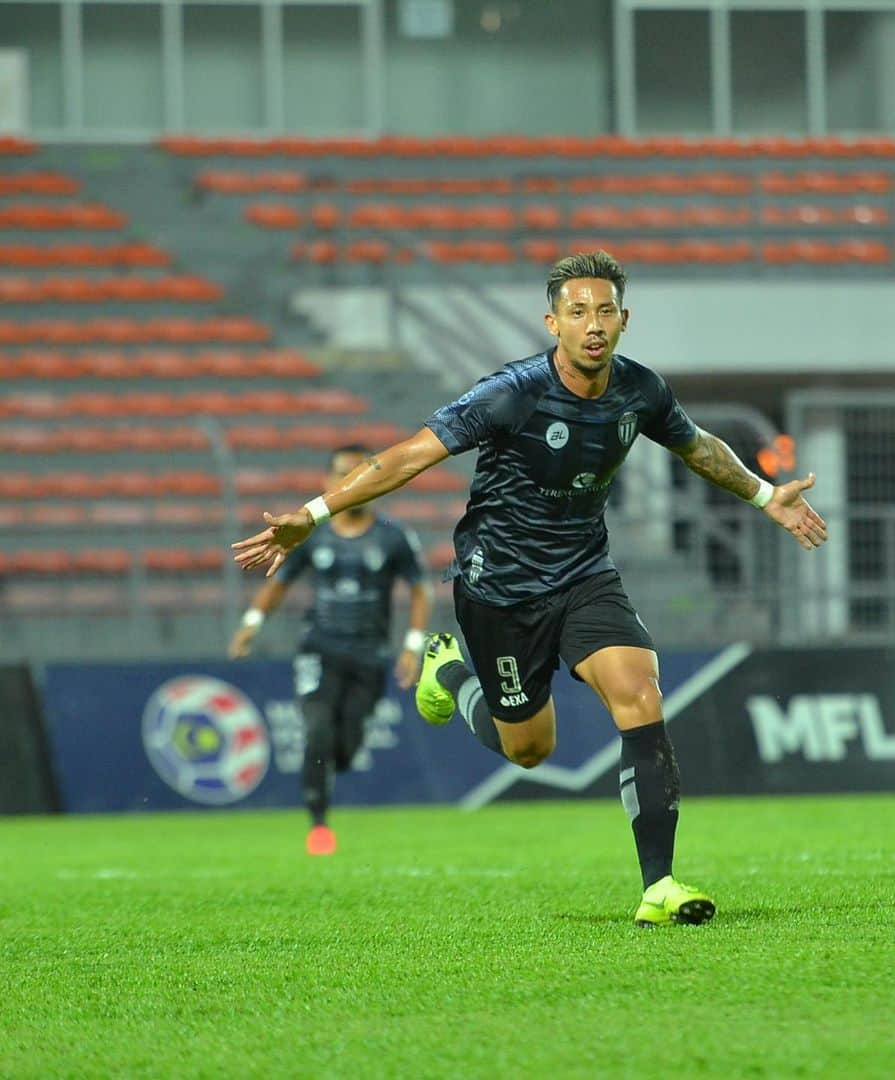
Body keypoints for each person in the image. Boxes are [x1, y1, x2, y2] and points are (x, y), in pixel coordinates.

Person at [233, 251, 827, 923]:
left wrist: (763, 494)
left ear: (624, 319)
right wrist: (312, 515)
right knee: (529, 748)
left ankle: (659, 886)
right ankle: (453, 677)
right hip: (500, 589)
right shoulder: (511, 392)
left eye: (605, 311)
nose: (593, 325)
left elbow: (698, 447)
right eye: (578, 312)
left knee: (639, 693)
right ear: (554, 322)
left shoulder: (641, 390)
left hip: (584, 575)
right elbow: (406, 456)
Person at [228, 443, 433, 856]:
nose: (347, 482)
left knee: (347, 745)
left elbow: (418, 590)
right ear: (326, 482)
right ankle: (319, 825)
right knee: (317, 730)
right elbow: (278, 582)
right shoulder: (311, 533)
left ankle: (328, 771)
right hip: (319, 649)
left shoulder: (393, 537)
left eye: (356, 474)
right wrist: (251, 624)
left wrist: (412, 646)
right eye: (340, 474)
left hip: (370, 655)